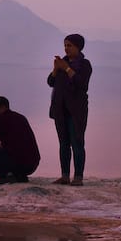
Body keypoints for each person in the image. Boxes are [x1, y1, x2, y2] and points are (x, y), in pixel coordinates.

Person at [46, 33, 92, 185]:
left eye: (69, 45)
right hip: (60, 109)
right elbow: (50, 82)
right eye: (65, 45)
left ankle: (78, 177)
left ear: (78, 47)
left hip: (76, 111)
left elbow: (81, 83)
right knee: (63, 143)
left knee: (77, 142)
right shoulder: (62, 63)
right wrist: (55, 69)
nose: (66, 48)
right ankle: (65, 176)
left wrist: (66, 68)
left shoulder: (84, 65)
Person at [0, 96, 41, 184]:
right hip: (32, 164)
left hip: (18, 162)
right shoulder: (20, 117)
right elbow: (15, 143)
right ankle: (19, 175)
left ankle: (6, 175)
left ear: (3, 107)